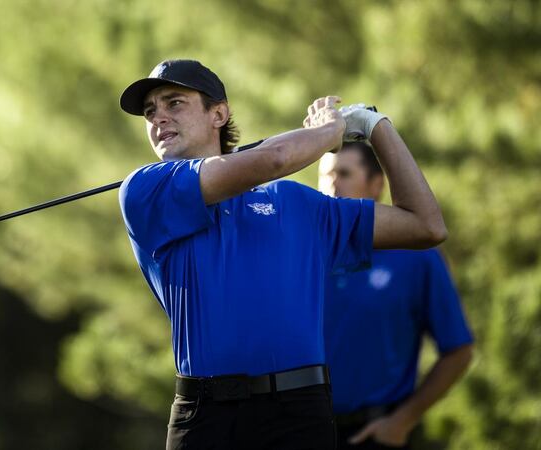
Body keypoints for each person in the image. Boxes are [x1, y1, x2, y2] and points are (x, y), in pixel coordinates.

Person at [117, 59, 447, 449]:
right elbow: (274, 159)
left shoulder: (294, 202)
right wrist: (331, 130)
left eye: (174, 103)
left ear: (218, 114)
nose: (158, 118)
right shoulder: (145, 190)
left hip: (299, 413)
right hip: (205, 417)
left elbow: (425, 225)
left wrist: (377, 127)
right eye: (150, 111)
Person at [319, 142, 474, 450]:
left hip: (375, 433)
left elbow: (458, 351)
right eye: (325, 175)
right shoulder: (305, 252)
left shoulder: (417, 255)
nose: (332, 184)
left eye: (344, 174)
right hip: (307, 431)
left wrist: (402, 421)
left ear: (376, 185)